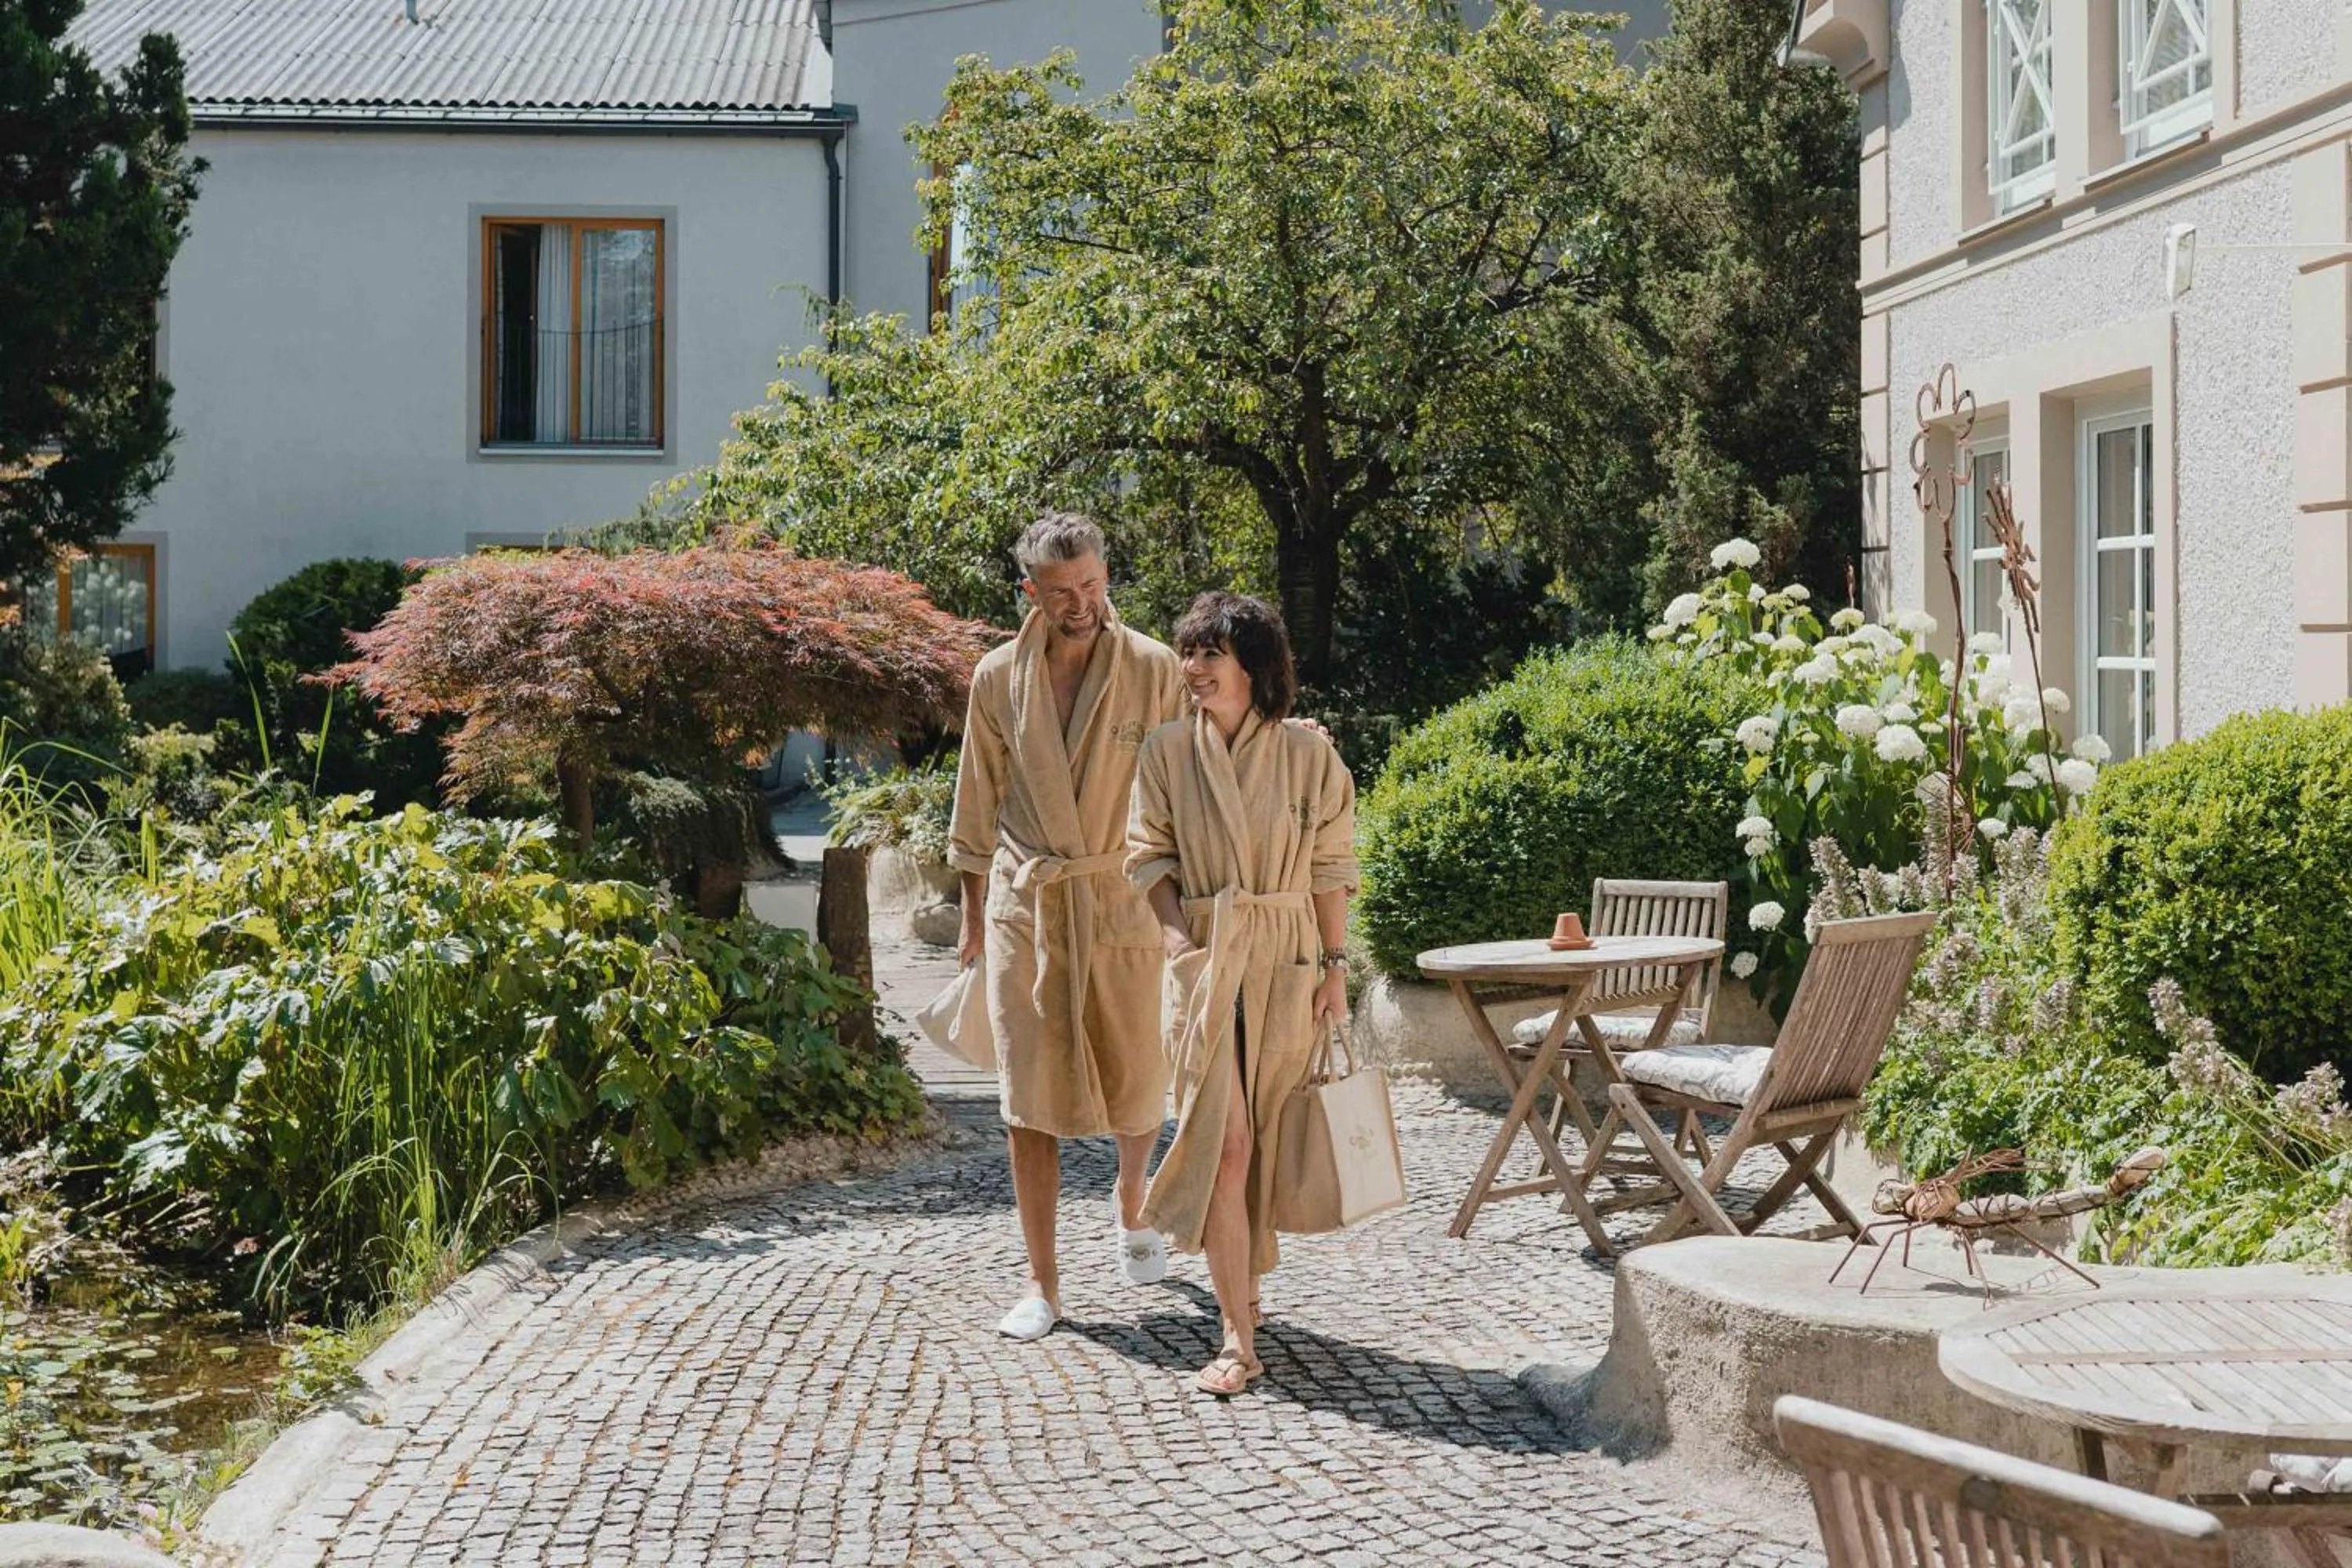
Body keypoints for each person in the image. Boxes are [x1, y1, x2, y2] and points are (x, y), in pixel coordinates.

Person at [949, 514, 1189, 1341]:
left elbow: (1201, 762)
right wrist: (975, 918)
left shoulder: (1155, 667)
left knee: (1138, 1078)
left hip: (1122, 897)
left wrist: (1291, 739)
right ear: (1031, 593)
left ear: (1106, 573)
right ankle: (1042, 1282)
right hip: (1032, 904)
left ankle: (1131, 1199)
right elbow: (975, 801)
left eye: (1091, 585)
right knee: (1028, 1100)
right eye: (1061, 593)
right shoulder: (996, 677)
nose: (1081, 603)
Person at [1127, 592, 1359, 1396]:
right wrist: (1178, 944)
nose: (1191, 668)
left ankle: (1245, 1294)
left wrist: (1334, 967)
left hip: (1286, 957)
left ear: (1255, 666)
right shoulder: (1163, 752)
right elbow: (1148, 858)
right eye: (1186, 653)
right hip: (1203, 961)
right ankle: (1236, 1337)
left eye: (1208, 654)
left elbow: (1331, 867)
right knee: (1225, 1142)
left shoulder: (1308, 756)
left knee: (1257, 1143)